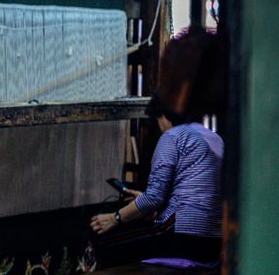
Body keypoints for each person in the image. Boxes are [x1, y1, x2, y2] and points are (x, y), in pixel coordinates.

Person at [90, 93, 223, 265]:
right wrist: (144, 202)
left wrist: (114, 218)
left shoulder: (173, 136)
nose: (159, 126)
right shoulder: (214, 139)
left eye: (157, 119)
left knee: (105, 244)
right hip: (212, 244)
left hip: (182, 237)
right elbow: (194, 193)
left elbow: (154, 197)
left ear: (164, 115)